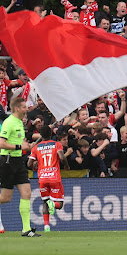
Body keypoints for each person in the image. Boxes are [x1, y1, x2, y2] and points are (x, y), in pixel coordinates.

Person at [0, 98, 40, 237]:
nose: (26, 109)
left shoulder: (19, 122)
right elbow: (1, 143)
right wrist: (19, 147)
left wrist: (28, 147)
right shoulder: (9, 122)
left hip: (18, 161)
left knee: (27, 193)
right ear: (17, 109)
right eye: (24, 107)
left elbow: (20, 143)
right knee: (5, 198)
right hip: (7, 161)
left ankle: (26, 229)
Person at [27, 126, 69, 232]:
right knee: (59, 204)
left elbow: (29, 163)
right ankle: (53, 204)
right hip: (54, 177)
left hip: (42, 178)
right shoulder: (56, 144)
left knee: (45, 202)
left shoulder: (36, 147)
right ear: (51, 134)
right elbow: (62, 157)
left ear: (41, 135)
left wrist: (35, 165)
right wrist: (66, 166)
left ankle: (46, 227)